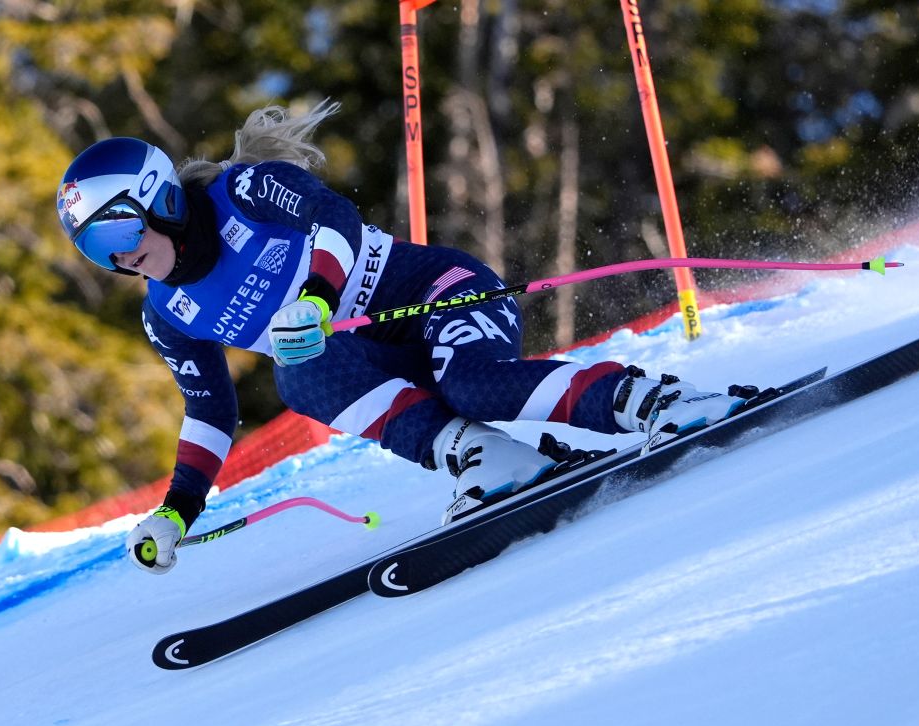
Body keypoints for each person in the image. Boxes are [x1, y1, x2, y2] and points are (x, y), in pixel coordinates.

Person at [55, 101, 752, 574]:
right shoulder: (166, 311)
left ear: (161, 199)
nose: (117, 258)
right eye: (95, 249)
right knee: (299, 376)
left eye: (118, 231)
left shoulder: (245, 191)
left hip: (435, 291)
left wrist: (318, 299)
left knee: (472, 381)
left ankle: (658, 402)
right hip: (381, 358)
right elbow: (210, 412)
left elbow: (335, 222)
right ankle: (489, 459)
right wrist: (176, 511)